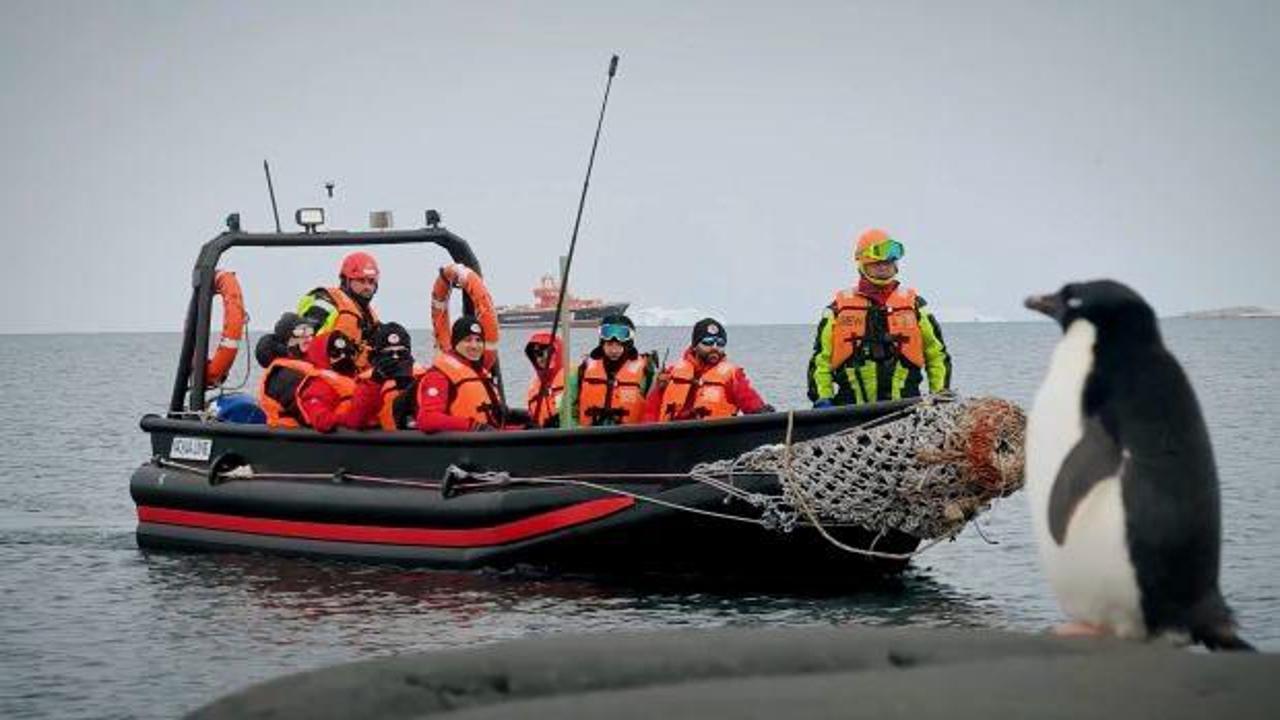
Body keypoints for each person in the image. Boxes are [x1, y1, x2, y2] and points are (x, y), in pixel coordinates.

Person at [807, 228, 951, 407]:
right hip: (851, 409)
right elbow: (822, 360)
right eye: (877, 263)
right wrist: (823, 398)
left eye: (889, 262)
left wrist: (939, 393)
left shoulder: (916, 306)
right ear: (862, 263)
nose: (884, 266)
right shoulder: (837, 309)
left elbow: (936, 355)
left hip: (906, 405)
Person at [645, 318, 773, 422]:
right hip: (672, 439)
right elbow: (651, 410)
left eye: (720, 343)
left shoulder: (732, 375)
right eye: (708, 342)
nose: (715, 347)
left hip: (713, 438)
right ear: (695, 346)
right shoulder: (671, 372)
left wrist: (762, 412)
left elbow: (749, 400)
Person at [414, 315, 506, 433]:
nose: (474, 346)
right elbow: (427, 419)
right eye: (468, 340)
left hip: (489, 439)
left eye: (478, 340)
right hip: (463, 445)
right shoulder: (439, 376)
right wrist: (473, 426)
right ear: (455, 343)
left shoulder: (479, 372)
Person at [566, 314, 657, 427]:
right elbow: (568, 408)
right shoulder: (583, 370)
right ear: (602, 344)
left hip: (629, 440)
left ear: (628, 345)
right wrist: (577, 434)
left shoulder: (646, 373)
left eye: (619, 345)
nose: (614, 350)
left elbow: (654, 408)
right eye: (609, 344)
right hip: (590, 438)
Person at [297, 251, 381, 369]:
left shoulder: (369, 317)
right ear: (345, 281)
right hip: (324, 376)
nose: (367, 287)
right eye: (361, 281)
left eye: (371, 282)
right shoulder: (327, 303)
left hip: (353, 379)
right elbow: (301, 338)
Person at [293, 329, 384, 432]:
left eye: (347, 352)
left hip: (373, 434)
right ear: (322, 357)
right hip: (348, 441)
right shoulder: (318, 387)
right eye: (336, 353)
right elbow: (321, 420)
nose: (343, 356)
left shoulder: (362, 377)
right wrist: (347, 419)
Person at [256, 312, 317, 428]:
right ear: (287, 338)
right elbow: (307, 413)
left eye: (309, 332)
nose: (308, 337)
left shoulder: (302, 366)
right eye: (301, 331)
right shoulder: (283, 374)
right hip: (291, 437)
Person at [362, 322, 422, 430]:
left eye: (401, 353)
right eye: (388, 353)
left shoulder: (423, 378)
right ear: (378, 354)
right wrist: (375, 383)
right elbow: (357, 419)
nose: (395, 357)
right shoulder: (365, 382)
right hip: (383, 441)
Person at [524, 331, 565, 428]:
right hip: (545, 439)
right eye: (537, 354)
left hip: (572, 438)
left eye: (546, 351)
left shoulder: (572, 377)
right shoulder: (533, 389)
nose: (541, 358)